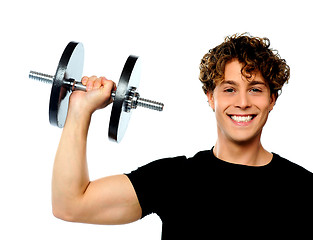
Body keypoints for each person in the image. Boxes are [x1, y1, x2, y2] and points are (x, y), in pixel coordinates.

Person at [51, 33, 313, 239]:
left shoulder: (304, 189)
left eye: (255, 89)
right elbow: (71, 205)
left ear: (272, 99)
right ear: (210, 97)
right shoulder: (175, 179)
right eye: (229, 89)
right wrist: (79, 110)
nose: (242, 102)